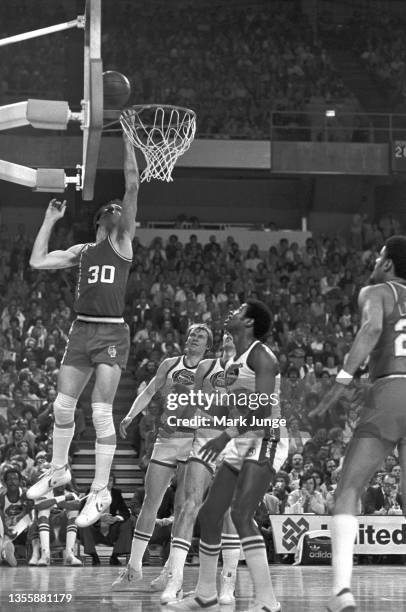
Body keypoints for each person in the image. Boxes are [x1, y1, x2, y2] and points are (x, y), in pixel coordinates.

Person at [26, 124, 139, 529]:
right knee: (61, 405)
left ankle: (102, 491)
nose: (119, 211)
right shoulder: (83, 250)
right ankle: (58, 470)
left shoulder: (122, 242)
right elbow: (38, 261)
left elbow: (132, 183)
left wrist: (127, 140)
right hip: (81, 330)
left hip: (111, 331)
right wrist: (49, 218)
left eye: (121, 209)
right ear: (100, 219)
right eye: (112, 209)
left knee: (101, 412)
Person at [168, 299, 288, 612]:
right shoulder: (235, 360)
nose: (232, 311)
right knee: (209, 515)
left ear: (248, 323)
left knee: (241, 513)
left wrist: (224, 437)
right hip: (243, 438)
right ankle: (205, 594)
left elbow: (262, 409)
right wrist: (194, 407)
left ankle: (267, 600)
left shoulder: (263, 355)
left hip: (266, 438)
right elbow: (230, 407)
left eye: (239, 310)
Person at [313, 236, 406, 612]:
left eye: (378, 255)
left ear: (387, 264)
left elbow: (370, 330)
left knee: (349, 487)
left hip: (390, 390)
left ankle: (341, 592)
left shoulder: (377, 290)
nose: (374, 260)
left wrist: (342, 380)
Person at [111, 323, 213, 591]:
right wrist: (131, 415)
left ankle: (170, 573)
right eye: (191, 333)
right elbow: (148, 392)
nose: (193, 338)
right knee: (150, 503)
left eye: (200, 336)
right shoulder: (170, 363)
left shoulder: (211, 369)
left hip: (193, 441)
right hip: (167, 440)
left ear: (207, 345)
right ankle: (133, 568)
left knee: (182, 509)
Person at [159, 331, 239, 605]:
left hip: (233, 442)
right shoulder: (206, 366)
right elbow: (189, 401)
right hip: (204, 439)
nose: (231, 336)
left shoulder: (252, 368)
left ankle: (228, 583)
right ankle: (175, 581)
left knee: (229, 511)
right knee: (189, 505)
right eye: (227, 333)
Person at [78, 474, 133, 565]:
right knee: (84, 524)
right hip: (95, 530)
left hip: (112, 530)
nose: (108, 483)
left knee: (127, 523)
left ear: (113, 483)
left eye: (110, 480)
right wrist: (99, 517)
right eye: (105, 480)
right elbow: (83, 511)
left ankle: (115, 556)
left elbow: (125, 512)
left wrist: (116, 518)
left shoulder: (116, 493)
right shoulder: (91, 492)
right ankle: (94, 556)